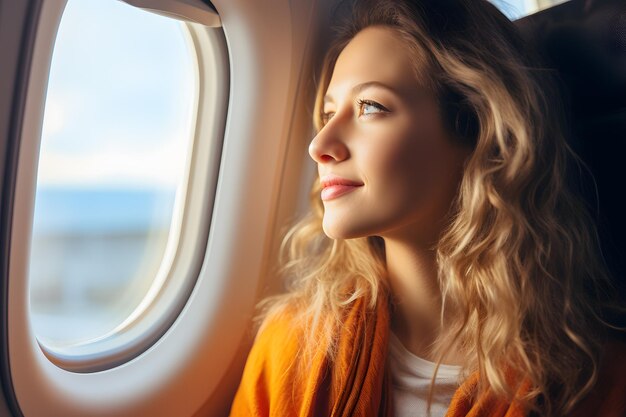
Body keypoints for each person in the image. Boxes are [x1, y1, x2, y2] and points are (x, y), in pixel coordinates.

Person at [228, 0, 626, 416]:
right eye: (328, 113)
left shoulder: (593, 382)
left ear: (477, 130)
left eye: (370, 107)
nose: (320, 145)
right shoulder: (291, 343)